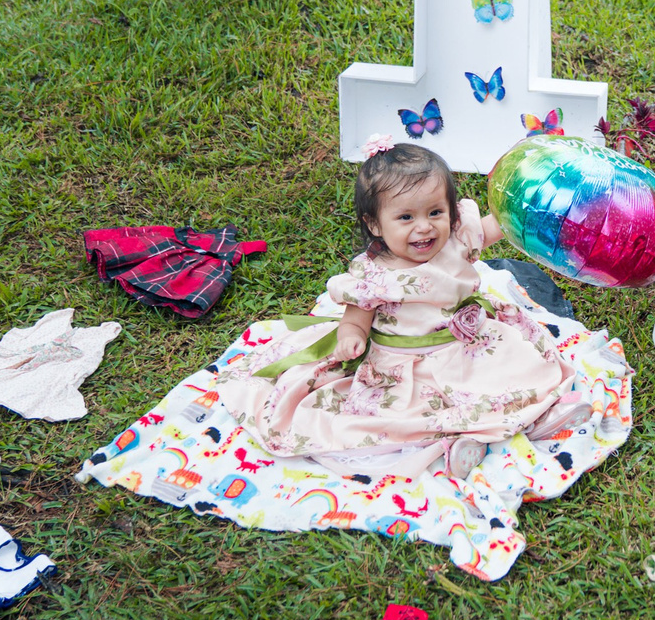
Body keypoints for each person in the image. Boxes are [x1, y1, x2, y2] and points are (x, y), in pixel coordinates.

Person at [174, 142, 577, 466]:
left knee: (514, 374)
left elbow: (497, 226)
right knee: (411, 413)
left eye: (435, 212)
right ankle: (464, 443)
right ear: (375, 225)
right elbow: (356, 317)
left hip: (466, 346)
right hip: (407, 361)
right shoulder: (376, 274)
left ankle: (506, 424)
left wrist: (531, 214)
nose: (424, 227)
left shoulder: (457, 238)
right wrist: (351, 336)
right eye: (405, 218)